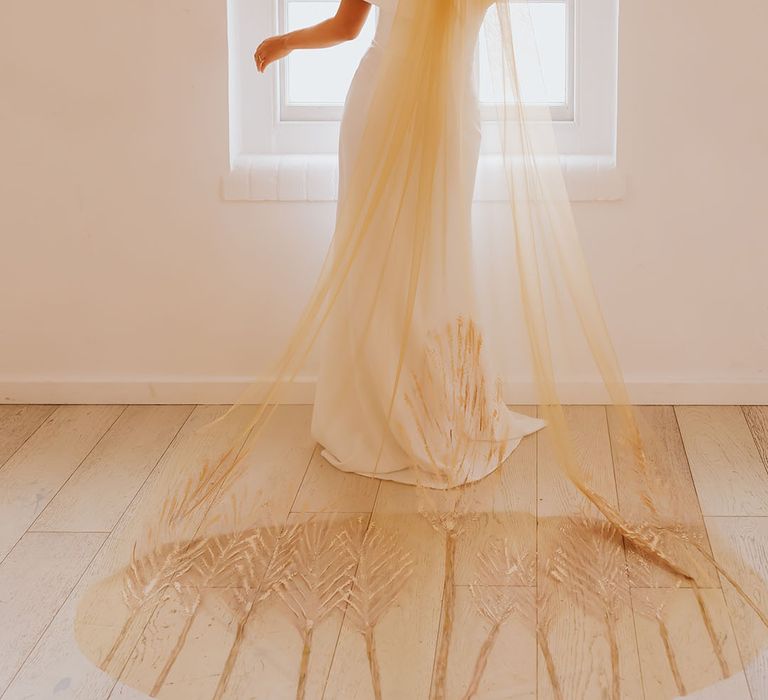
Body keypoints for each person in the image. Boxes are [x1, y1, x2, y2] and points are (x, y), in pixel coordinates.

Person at [254, 0, 546, 489]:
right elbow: (349, 27)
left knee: (379, 255)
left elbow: (346, 27)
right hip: (446, 113)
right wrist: (285, 42)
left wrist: (285, 43)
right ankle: (423, 403)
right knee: (430, 256)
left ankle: (385, 405)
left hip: (389, 108)